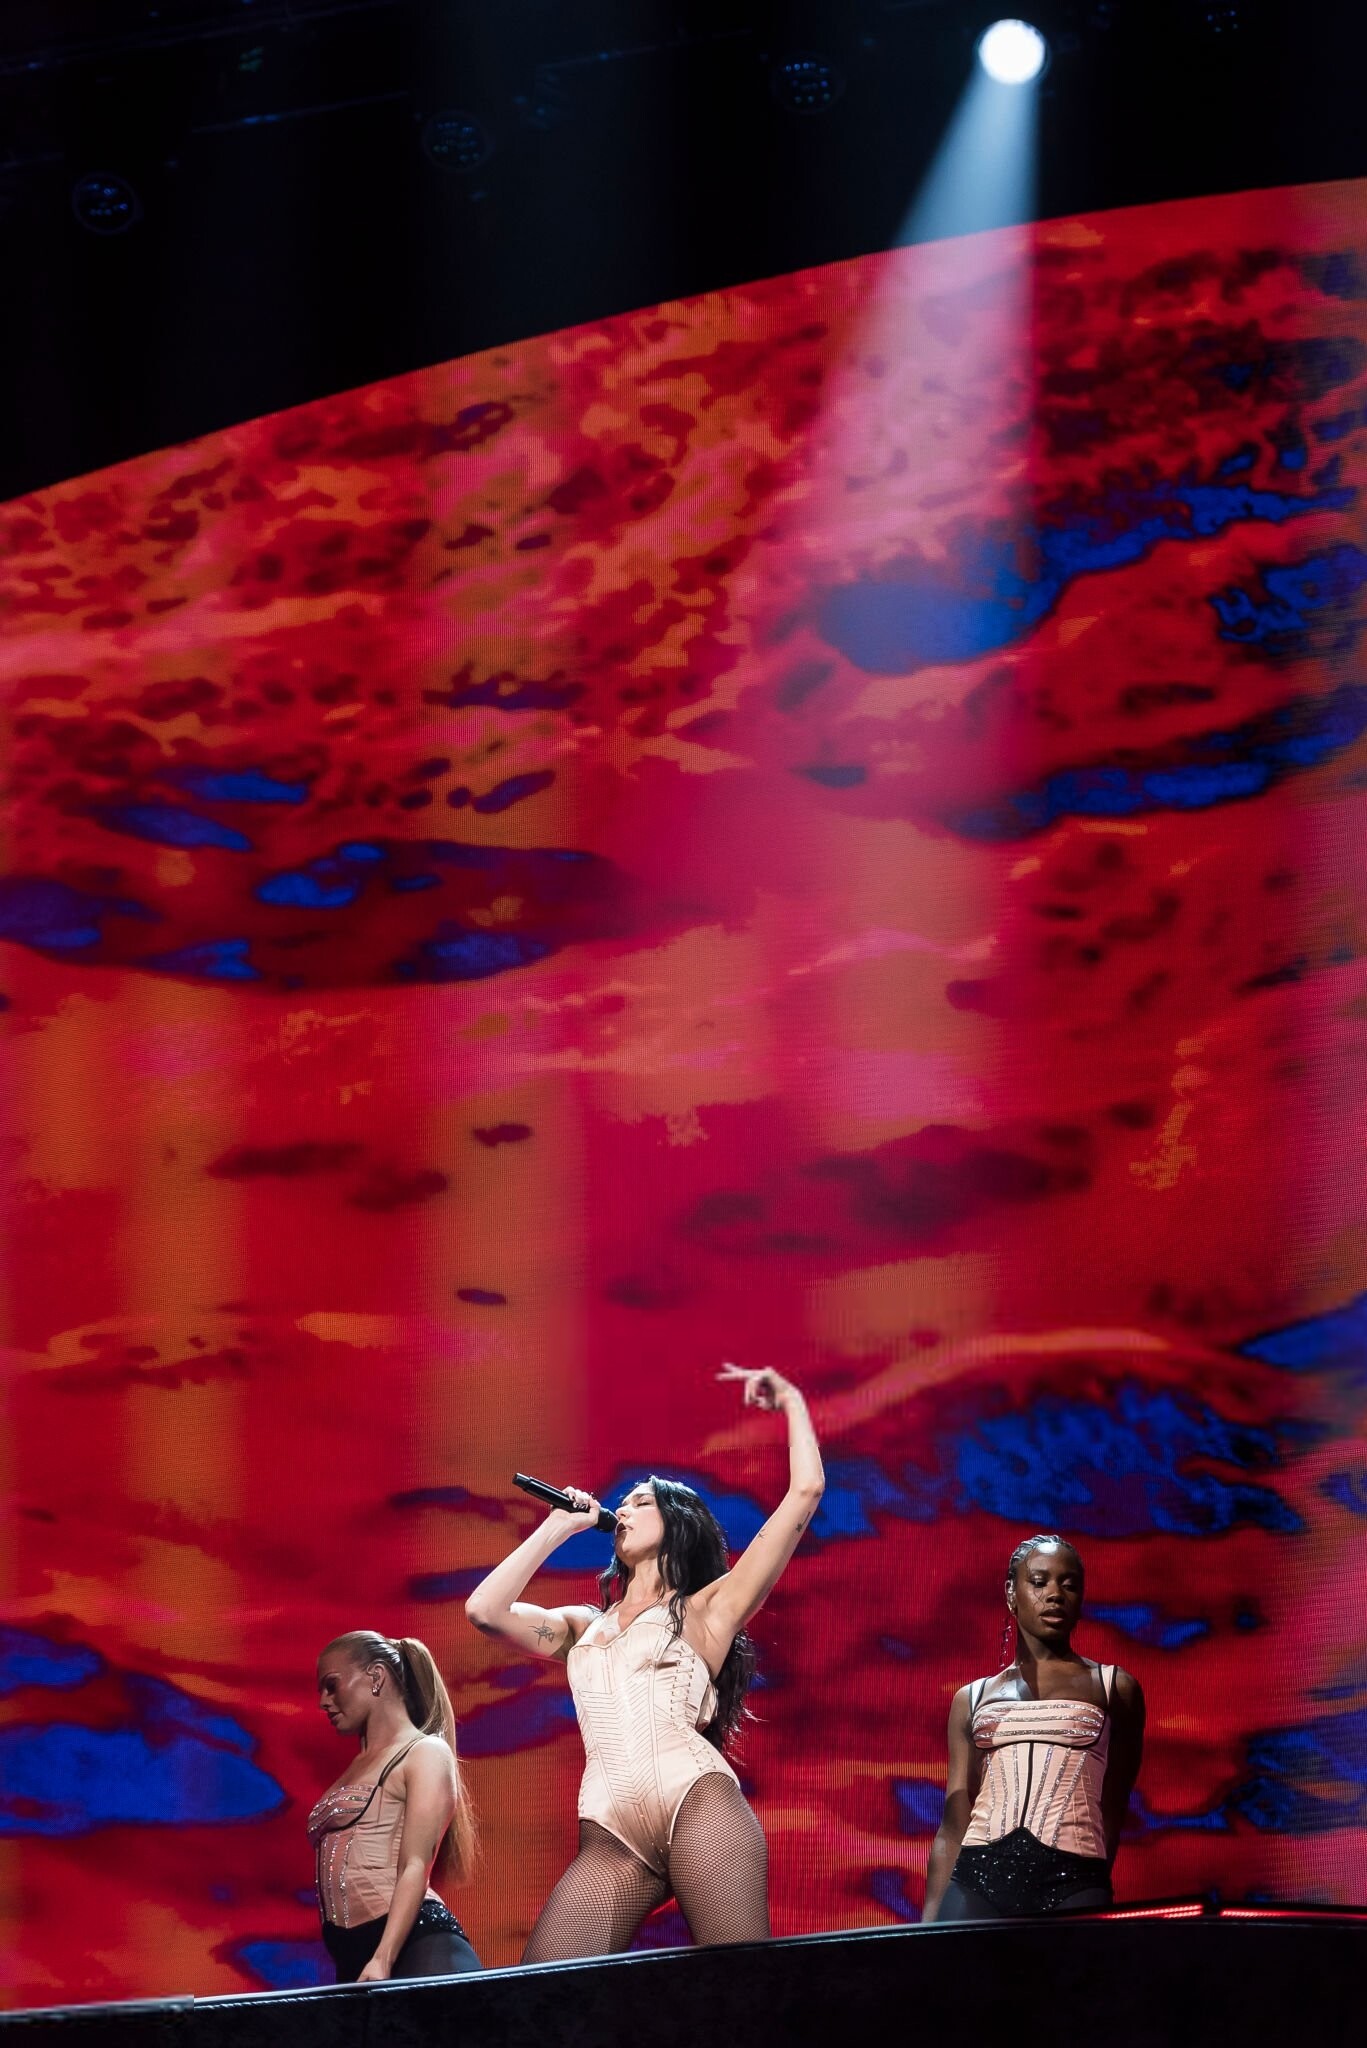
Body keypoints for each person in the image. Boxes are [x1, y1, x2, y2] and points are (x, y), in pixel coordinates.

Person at [465, 1362, 824, 1961]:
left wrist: (789, 1399)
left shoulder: (710, 1608)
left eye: (640, 1502)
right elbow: (484, 1610)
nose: (623, 1512)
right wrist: (556, 1528)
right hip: (610, 1834)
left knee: (742, 1985)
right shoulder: (584, 1625)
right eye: (622, 1505)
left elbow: (805, 1493)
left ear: (678, 1522)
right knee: (540, 1990)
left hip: (697, 1803)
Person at [922, 1534, 1145, 1922]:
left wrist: (1091, 1879)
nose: (1055, 1595)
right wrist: (926, 1926)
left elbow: (1113, 1807)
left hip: (1074, 1879)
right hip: (978, 1877)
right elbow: (954, 1823)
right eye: (1039, 1582)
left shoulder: (1114, 1688)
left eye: (1069, 1585)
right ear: (1012, 1594)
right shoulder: (971, 1698)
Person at [308, 1630, 481, 1982]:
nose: (324, 1701)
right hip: (355, 1956)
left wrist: (383, 1958)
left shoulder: (424, 1752)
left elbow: (415, 1864)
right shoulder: (355, 1768)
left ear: (376, 1676)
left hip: (415, 1947)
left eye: (332, 1685)